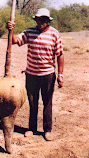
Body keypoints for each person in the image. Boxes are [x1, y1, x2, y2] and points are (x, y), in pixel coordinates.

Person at [7, 8, 64, 141]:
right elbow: (15, 40)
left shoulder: (54, 34)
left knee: (47, 102)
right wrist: (11, 29)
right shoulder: (29, 32)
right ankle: (31, 128)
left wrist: (61, 75)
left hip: (48, 74)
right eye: (39, 19)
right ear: (36, 19)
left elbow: (60, 54)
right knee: (32, 102)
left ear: (48, 21)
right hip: (31, 74)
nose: (41, 22)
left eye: (44, 19)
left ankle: (47, 130)